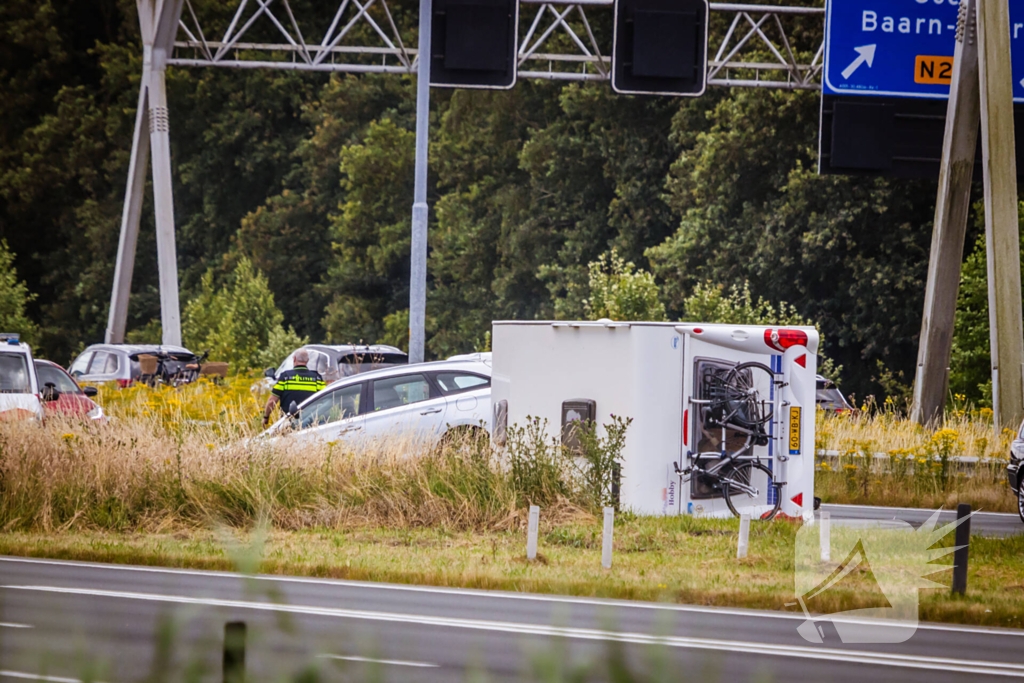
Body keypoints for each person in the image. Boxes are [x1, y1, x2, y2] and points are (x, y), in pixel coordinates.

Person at [262, 349, 325, 426]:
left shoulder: (285, 377)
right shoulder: (317, 378)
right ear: (307, 360)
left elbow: (272, 400)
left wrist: (266, 417)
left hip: (287, 423)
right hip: (311, 422)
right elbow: (325, 399)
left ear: (294, 358)